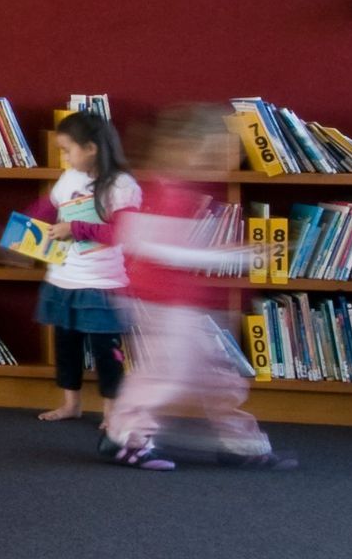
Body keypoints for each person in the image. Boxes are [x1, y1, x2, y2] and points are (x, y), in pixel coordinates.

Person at [106, 105, 294, 471]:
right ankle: (127, 438)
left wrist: (230, 254)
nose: (219, 164)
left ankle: (241, 443)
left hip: (182, 300)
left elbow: (182, 249)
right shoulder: (150, 190)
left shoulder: (184, 192)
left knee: (218, 371)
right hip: (154, 299)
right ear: (180, 148)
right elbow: (142, 245)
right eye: (211, 154)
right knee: (163, 374)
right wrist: (230, 260)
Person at [27, 109, 140, 424]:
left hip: (102, 285)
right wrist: (23, 228)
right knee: (66, 347)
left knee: (107, 353)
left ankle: (112, 412)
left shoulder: (121, 185)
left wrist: (76, 229)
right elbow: (48, 207)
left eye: (67, 150)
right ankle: (71, 404)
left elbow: (122, 231)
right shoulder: (69, 178)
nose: (64, 157)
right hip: (63, 279)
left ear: (91, 148)